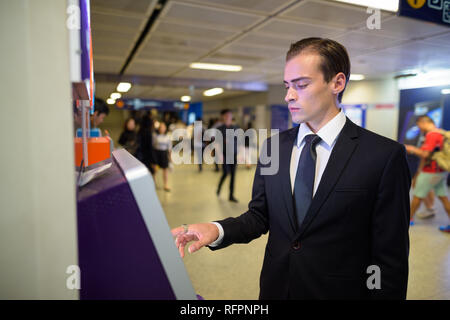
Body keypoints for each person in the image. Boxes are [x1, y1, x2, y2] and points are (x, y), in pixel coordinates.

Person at [172, 37, 411, 300]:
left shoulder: (383, 156)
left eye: (301, 84)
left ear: (337, 83)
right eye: (287, 86)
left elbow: (390, 258)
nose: (289, 96)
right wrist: (217, 229)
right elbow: (259, 216)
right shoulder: (275, 147)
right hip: (277, 289)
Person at [405, 115, 450, 233]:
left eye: (419, 125)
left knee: (417, 196)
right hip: (441, 171)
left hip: (430, 171)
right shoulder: (441, 133)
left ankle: (407, 220)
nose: (419, 128)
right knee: (444, 197)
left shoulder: (431, 135)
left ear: (423, 122)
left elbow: (425, 155)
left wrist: (411, 148)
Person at [216, 109, 239, 202]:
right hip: (224, 155)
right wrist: (220, 155)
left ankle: (231, 195)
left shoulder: (235, 128)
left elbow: (238, 141)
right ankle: (219, 188)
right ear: (223, 117)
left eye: (229, 115)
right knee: (226, 173)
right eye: (226, 116)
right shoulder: (220, 129)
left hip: (233, 154)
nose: (228, 117)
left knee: (233, 175)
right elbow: (217, 144)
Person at [153, 122, 172, 192]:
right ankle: (153, 184)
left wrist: (170, 158)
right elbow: (153, 145)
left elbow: (169, 148)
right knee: (154, 170)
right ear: (159, 128)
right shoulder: (155, 136)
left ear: (165, 128)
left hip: (164, 154)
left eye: (163, 127)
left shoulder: (167, 136)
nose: (162, 129)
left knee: (165, 170)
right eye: (161, 127)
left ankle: (166, 184)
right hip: (156, 153)